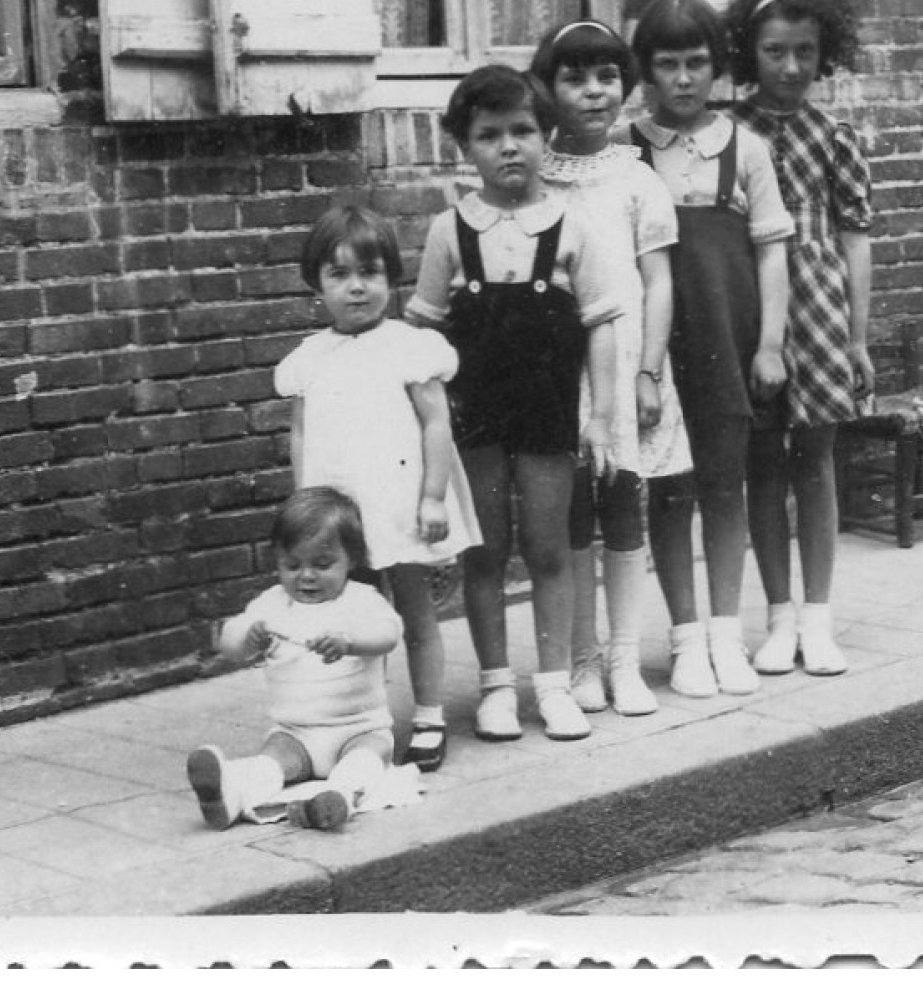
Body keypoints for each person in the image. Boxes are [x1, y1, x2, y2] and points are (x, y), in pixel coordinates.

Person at [407, 65, 621, 741]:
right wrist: (421, 419)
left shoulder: (571, 225)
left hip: (547, 410)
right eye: (489, 134)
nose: (509, 147)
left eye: (523, 130)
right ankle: (496, 684)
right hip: (475, 416)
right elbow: (421, 330)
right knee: (486, 548)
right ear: (465, 146)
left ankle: (553, 683)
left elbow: (602, 324)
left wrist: (602, 418)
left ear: (546, 135)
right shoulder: (450, 231)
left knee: (549, 544)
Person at [617, 0, 794, 696]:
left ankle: (727, 634)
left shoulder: (745, 148)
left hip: (728, 335)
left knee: (727, 484)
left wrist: (771, 344)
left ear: (717, 67)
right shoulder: (626, 149)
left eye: (697, 63)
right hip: (657, 349)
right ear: (647, 71)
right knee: (668, 489)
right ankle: (685, 639)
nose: (684, 79)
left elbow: (774, 253)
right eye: (668, 64)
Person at [273, 204, 481, 771]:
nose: (357, 288)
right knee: (355, 618)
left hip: (400, 506)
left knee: (415, 613)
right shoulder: (310, 358)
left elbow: (437, 423)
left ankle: (430, 716)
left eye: (370, 273)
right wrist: (305, 505)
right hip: (343, 518)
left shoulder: (409, 346)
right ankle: (362, 720)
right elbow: (302, 434)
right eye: (339, 275)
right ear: (317, 283)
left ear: (391, 277)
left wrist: (433, 496)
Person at [528, 19, 686, 717]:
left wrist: (649, 371)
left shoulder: (635, 178)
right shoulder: (534, 179)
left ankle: (625, 657)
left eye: (607, 78)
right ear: (547, 87)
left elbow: (657, 281)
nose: (593, 93)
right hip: (559, 372)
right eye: (574, 78)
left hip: (624, 367)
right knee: (569, 513)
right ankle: (582, 658)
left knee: (625, 500)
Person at [726, 0, 874, 676]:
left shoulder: (833, 134)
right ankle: (777, 616)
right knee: (760, 459)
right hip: (751, 299)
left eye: (806, 52)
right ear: (749, 52)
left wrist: (857, 337)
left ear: (826, 55)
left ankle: (818, 617)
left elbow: (856, 236)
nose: (790, 67)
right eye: (776, 51)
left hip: (817, 304)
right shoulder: (726, 133)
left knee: (814, 459)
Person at [186, 487, 402, 832]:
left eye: (322, 564)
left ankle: (339, 797)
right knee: (271, 762)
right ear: (278, 560)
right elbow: (229, 642)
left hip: (358, 728)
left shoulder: (361, 600)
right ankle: (230, 792)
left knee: (366, 759)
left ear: (352, 559)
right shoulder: (272, 603)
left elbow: (389, 634)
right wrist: (247, 638)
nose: (306, 576)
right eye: (292, 565)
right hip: (296, 733)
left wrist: (350, 643)